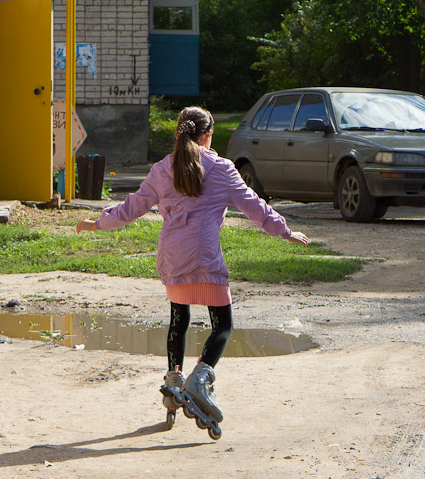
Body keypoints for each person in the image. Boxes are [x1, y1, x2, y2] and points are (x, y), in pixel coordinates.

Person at [76, 106, 308, 433]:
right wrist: (284, 231)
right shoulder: (222, 168)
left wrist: (97, 222)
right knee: (223, 324)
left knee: (179, 317)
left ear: (179, 132)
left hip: (172, 257)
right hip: (204, 258)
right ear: (208, 135)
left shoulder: (161, 169)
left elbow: (131, 208)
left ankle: (174, 380)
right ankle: (200, 379)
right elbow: (254, 205)